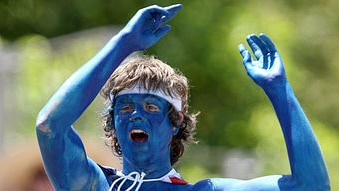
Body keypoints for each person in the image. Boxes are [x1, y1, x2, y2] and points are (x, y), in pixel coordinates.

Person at [36, 4, 330, 191]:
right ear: (112, 122)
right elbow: (50, 126)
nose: (136, 115)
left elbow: (312, 186)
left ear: (175, 122)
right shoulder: (93, 184)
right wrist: (124, 42)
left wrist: (280, 90)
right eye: (125, 107)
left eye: (151, 106)